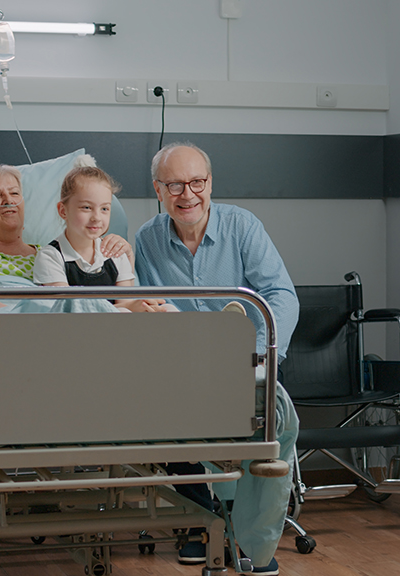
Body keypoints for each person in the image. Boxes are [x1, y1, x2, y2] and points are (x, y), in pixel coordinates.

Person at [134, 142, 299, 576]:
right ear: (158, 189)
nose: (187, 194)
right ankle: (198, 521)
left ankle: (251, 536)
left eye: (197, 182)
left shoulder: (243, 227)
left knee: (266, 420)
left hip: (248, 357)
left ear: (210, 184)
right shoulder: (148, 240)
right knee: (160, 406)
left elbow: (282, 296)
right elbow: (152, 311)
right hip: (184, 363)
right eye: (174, 185)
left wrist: (260, 354)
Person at [0, 161, 134, 320]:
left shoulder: (53, 254)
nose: (8, 201)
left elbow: (82, 303)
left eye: (15, 193)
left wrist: (124, 252)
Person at [32, 165, 173, 312]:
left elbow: (126, 302)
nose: (96, 218)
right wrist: (129, 307)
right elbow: (67, 309)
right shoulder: (50, 257)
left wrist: (143, 305)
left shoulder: (115, 252)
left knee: (168, 309)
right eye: (86, 207)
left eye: (104, 209)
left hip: (118, 325)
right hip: (75, 330)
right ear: (63, 210)